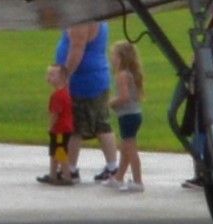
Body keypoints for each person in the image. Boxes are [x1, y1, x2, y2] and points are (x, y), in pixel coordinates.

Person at [39, 22, 97, 185]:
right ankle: (57, 174)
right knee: (57, 152)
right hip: (65, 128)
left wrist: (50, 126)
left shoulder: (58, 95)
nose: (48, 78)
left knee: (58, 152)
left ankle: (63, 175)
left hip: (59, 129)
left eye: (51, 75)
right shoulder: (65, 93)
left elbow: (55, 114)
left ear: (61, 78)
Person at [102, 29, 148, 189]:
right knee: (126, 148)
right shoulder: (130, 73)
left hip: (128, 116)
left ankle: (137, 181)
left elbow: (124, 97)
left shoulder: (122, 75)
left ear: (121, 57)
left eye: (113, 55)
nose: (111, 58)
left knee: (130, 149)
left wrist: (109, 103)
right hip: (132, 115)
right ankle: (119, 177)